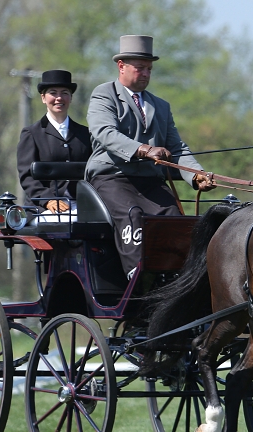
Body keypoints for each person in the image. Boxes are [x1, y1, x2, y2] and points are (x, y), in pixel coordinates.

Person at [86, 35, 215, 280]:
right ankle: (139, 281)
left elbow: (177, 148)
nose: (145, 73)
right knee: (134, 216)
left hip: (150, 181)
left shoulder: (161, 106)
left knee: (174, 219)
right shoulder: (104, 95)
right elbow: (104, 132)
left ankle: (179, 280)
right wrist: (145, 150)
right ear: (121, 66)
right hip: (112, 177)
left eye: (149, 69)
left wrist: (196, 175)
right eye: (140, 68)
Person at [17, 69, 91, 213]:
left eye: (64, 93)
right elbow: (27, 176)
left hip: (82, 203)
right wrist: (48, 200)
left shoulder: (85, 134)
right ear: (43, 98)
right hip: (42, 207)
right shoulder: (32, 134)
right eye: (53, 93)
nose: (59, 98)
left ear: (71, 97)